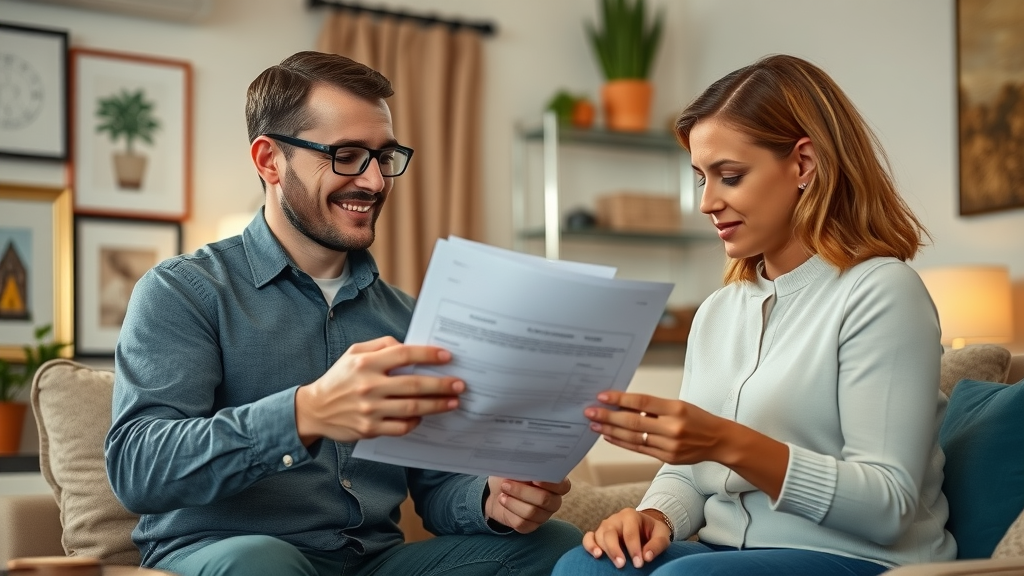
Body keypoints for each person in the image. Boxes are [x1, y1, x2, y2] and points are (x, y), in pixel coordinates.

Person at [105, 51, 581, 576]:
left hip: (373, 564)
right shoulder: (184, 291)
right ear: (269, 161)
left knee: (557, 546)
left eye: (385, 156)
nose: (375, 182)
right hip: (230, 554)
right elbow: (137, 467)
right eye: (348, 155)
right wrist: (304, 413)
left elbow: (438, 490)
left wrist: (491, 499)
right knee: (262, 562)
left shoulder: (407, 315)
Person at [553, 54, 957, 575]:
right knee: (583, 568)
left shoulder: (881, 293)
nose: (707, 202)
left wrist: (726, 441)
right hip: (725, 554)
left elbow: (889, 506)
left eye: (729, 176)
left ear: (803, 165)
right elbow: (691, 474)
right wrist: (654, 515)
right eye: (701, 178)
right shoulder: (719, 312)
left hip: (862, 559)